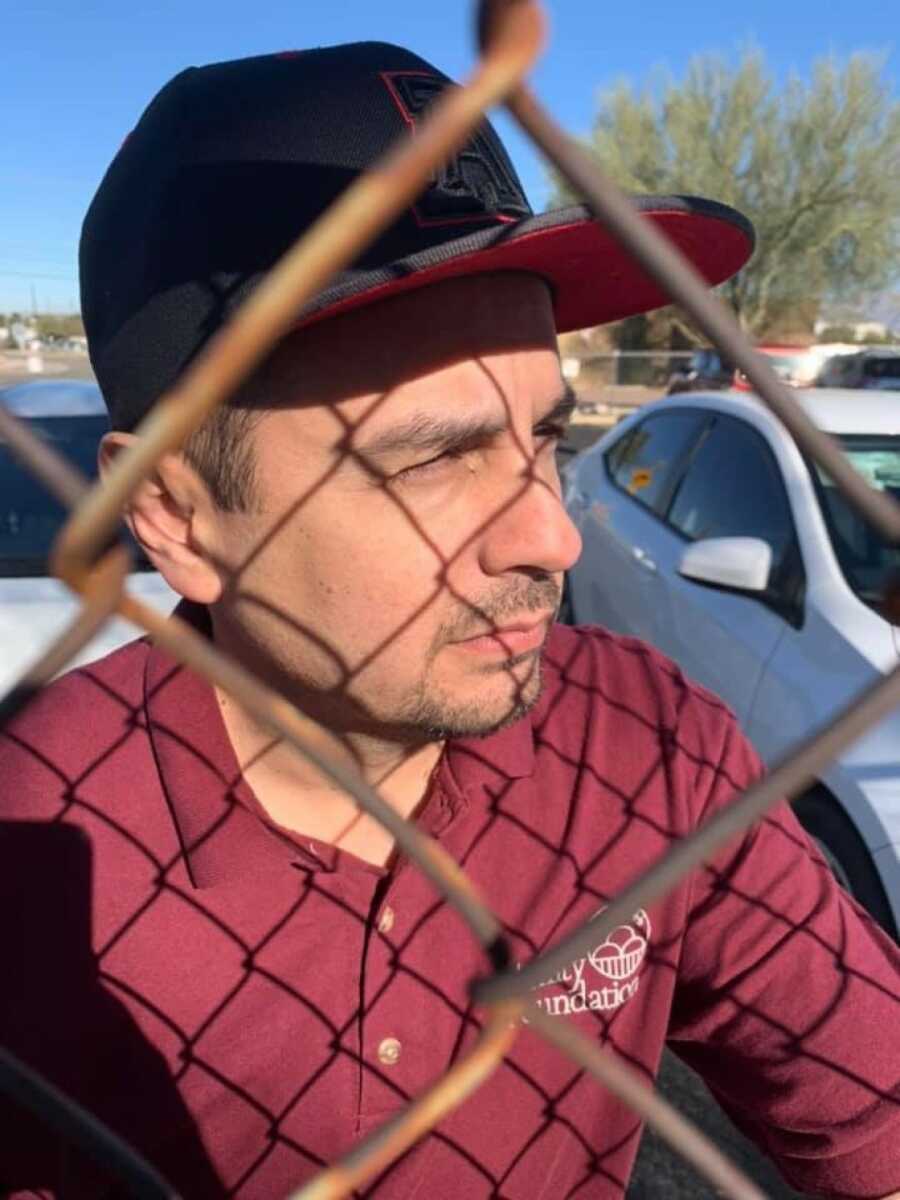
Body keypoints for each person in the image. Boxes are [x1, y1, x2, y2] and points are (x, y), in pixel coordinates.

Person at [1, 41, 898, 1200]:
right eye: (433, 458)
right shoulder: (30, 850)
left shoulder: (649, 746)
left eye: (542, 437)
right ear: (174, 511)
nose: (553, 539)